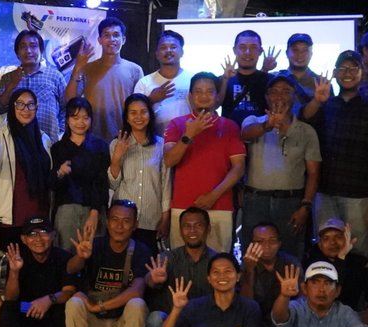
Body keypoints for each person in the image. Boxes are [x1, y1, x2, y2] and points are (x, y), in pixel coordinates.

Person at [302, 50, 368, 255]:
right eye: (342, 69)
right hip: (325, 191)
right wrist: (317, 100)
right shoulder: (326, 104)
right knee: (326, 251)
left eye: (353, 68)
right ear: (334, 73)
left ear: (362, 73)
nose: (347, 73)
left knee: (358, 251)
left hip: (360, 193)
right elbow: (304, 123)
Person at [63, 201, 150, 327]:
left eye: (126, 221)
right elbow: (70, 269)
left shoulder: (141, 250)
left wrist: (100, 306)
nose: (120, 226)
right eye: (115, 220)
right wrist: (81, 256)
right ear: (107, 222)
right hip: (94, 326)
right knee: (74, 303)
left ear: (135, 224)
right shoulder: (95, 244)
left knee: (137, 304)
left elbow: (137, 289)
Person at [163, 73, 246, 252]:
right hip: (183, 205)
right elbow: (169, 160)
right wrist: (189, 134)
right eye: (198, 91)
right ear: (190, 96)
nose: (204, 96)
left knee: (219, 262)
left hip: (220, 205)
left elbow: (239, 168)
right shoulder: (177, 124)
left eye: (209, 91)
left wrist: (213, 195)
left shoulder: (230, 126)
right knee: (182, 262)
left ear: (217, 96)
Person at [240, 78, 321, 257]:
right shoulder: (253, 121)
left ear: (295, 97)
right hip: (256, 200)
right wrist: (267, 125)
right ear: (266, 97)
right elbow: (245, 134)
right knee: (252, 255)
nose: (279, 96)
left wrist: (305, 206)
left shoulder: (307, 131)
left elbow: (314, 173)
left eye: (286, 91)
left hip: (291, 202)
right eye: (274, 91)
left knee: (290, 254)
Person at [0, 217, 78, 327]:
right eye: (32, 234)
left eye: (43, 232)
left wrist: (49, 300)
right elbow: (10, 297)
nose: (38, 238)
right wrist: (14, 272)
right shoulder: (18, 257)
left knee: (62, 309)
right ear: (24, 239)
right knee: (7, 308)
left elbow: (69, 291)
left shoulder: (63, 258)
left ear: (53, 235)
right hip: (26, 316)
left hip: (52, 321)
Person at [142, 207, 219, 327]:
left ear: (208, 229)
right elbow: (149, 280)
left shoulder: (218, 261)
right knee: (154, 320)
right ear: (180, 230)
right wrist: (153, 279)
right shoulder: (167, 258)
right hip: (173, 324)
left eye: (198, 225)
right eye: (186, 226)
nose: (192, 230)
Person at [0, 86, 54, 241]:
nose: (25, 109)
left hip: (39, 215)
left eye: (30, 104)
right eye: (20, 104)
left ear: (36, 108)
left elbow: (49, 176)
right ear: (12, 107)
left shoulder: (43, 139)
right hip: (9, 217)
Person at [64, 17, 144, 142]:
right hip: (92, 139)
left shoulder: (135, 70)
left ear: (123, 40)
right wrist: (77, 68)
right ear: (99, 40)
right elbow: (69, 99)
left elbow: (141, 107)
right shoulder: (87, 68)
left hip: (125, 138)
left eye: (116, 35)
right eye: (106, 35)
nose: (111, 39)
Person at [108, 94, 170, 249]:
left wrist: (165, 218)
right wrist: (116, 159)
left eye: (143, 112)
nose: (139, 117)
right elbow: (113, 185)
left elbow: (166, 184)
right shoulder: (117, 144)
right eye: (133, 113)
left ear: (150, 114)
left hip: (152, 219)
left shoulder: (161, 145)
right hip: (123, 221)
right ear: (127, 117)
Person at [50, 97, 110, 242]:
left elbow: (101, 181)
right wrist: (60, 173)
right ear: (67, 120)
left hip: (94, 208)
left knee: (94, 251)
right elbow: (52, 184)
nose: (81, 122)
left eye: (85, 118)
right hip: (66, 210)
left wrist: (95, 211)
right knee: (66, 251)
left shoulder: (100, 146)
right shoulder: (58, 148)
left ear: (91, 120)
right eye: (75, 118)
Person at [0, 29, 66, 140]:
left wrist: (59, 131)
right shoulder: (8, 78)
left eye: (33, 46)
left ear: (41, 50)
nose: (28, 51)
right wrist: (12, 85)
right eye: (23, 47)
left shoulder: (55, 76)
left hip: (49, 143)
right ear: (17, 53)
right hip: (16, 142)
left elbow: (66, 107)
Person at [133, 29, 193, 133]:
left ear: (182, 52)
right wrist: (151, 100)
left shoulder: (193, 79)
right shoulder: (144, 82)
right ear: (157, 54)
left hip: (188, 138)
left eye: (173, 47)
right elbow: (133, 113)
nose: (168, 50)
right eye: (163, 47)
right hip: (154, 140)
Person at [217, 28, 277, 125]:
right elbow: (214, 106)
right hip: (230, 133)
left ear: (260, 51)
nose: (248, 52)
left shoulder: (271, 81)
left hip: (261, 133)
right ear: (234, 50)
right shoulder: (223, 80)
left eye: (253, 47)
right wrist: (224, 80)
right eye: (242, 47)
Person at [279, 32, 318, 110]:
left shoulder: (321, 82)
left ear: (311, 54)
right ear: (286, 53)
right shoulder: (275, 78)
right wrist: (264, 69)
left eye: (305, 50)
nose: (300, 54)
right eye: (295, 50)